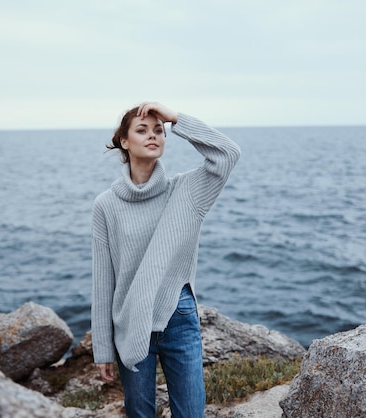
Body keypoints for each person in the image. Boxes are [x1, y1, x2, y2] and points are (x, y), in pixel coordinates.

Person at [91, 101, 241, 418]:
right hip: (131, 319)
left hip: (178, 314)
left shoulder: (187, 190)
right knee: (139, 412)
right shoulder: (105, 205)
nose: (153, 135)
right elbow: (103, 282)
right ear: (124, 141)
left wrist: (177, 118)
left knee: (190, 413)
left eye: (159, 130)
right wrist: (102, 348)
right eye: (142, 130)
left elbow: (228, 154)